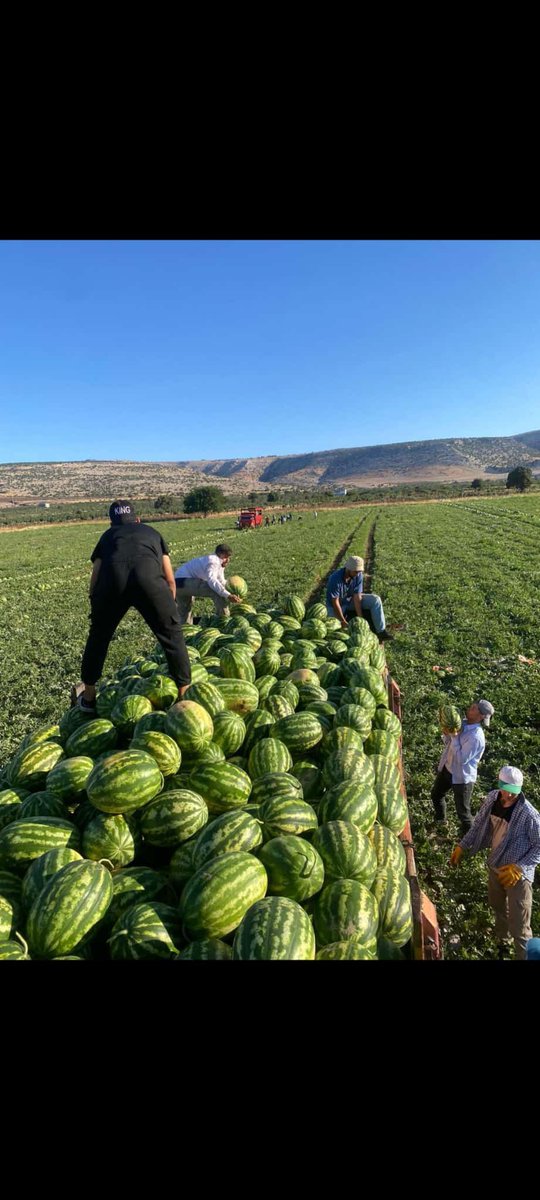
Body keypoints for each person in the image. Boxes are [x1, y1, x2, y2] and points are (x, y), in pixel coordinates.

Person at [78, 501, 191, 712]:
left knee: (98, 638)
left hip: (112, 584)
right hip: (149, 582)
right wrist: (169, 609)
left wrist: (95, 601)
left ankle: (89, 697)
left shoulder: (107, 537)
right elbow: (170, 578)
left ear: (112, 524)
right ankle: (184, 694)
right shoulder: (152, 533)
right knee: (172, 636)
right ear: (137, 519)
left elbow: (96, 574)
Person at [450, 765, 540, 960]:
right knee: (498, 908)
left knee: (520, 924)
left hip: (518, 876)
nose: (509, 795)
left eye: (514, 793)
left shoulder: (529, 814)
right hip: (495, 866)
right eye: (506, 790)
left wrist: (520, 867)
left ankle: (524, 955)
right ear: (500, 785)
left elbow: (539, 846)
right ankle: (503, 942)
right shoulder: (492, 799)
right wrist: (462, 845)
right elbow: (478, 825)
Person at [431, 699, 494, 835]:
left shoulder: (476, 737)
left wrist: (454, 737)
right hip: (448, 769)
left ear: (481, 716)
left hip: (462, 778)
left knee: (463, 813)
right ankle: (440, 820)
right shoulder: (462, 723)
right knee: (436, 794)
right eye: (472, 705)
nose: (470, 708)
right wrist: (446, 733)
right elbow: (448, 743)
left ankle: (469, 839)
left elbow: (461, 759)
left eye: (474, 708)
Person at [325, 555, 392, 643]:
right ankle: (346, 619)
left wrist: (361, 618)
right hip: (335, 606)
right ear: (348, 569)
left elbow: (357, 596)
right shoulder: (335, 578)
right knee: (334, 629)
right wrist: (342, 621)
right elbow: (335, 602)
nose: (358, 574)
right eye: (356, 572)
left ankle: (381, 632)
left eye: (359, 571)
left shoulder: (358, 575)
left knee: (375, 600)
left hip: (349, 601)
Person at [174, 543, 242, 625]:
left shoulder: (217, 561)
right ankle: (224, 621)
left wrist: (231, 591)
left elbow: (221, 581)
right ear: (220, 554)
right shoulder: (213, 561)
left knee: (184, 610)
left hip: (177, 584)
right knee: (215, 591)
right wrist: (228, 595)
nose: (228, 560)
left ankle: (185, 630)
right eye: (226, 557)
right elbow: (212, 581)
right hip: (184, 581)